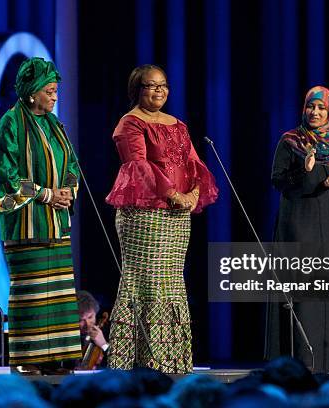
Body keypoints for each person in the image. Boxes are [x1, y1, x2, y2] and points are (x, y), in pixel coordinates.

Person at [105, 64, 218, 373]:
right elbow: (139, 167)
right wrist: (173, 194)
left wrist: (194, 192)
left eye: (163, 85)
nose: (159, 91)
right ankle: (139, 360)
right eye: (150, 86)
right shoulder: (130, 124)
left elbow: (192, 161)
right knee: (148, 284)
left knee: (171, 285)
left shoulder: (177, 124)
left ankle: (172, 360)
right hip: (144, 214)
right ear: (136, 91)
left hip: (178, 216)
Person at [0, 57, 81, 371]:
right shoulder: (10, 124)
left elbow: (71, 165)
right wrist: (47, 194)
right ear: (32, 92)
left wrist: (69, 190)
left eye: (56, 91)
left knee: (58, 296)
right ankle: (29, 361)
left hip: (57, 225)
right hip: (26, 226)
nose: (55, 97)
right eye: (50, 91)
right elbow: (6, 179)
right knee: (32, 295)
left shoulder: (55, 125)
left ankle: (58, 359)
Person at [265, 86, 329, 372]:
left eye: (321, 109)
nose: (315, 113)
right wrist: (305, 170)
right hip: (298, 221)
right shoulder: (291, 141)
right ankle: (299, 362)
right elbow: (278, 180)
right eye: (310, 107)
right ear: (303, 109)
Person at [76, 290, 108, 369]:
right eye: (81, 320)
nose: (87, 324)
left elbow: (119, 363)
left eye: (90, 317)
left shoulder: (108, 331)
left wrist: (104, 344)